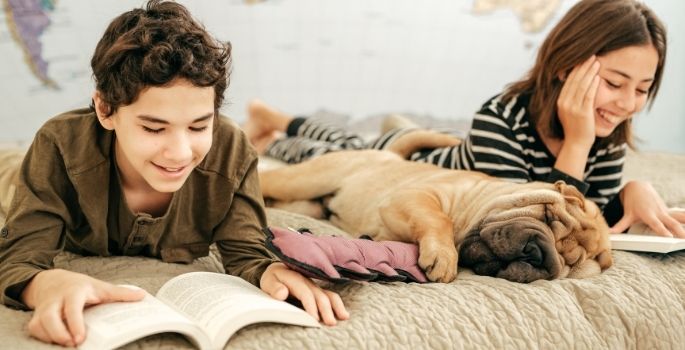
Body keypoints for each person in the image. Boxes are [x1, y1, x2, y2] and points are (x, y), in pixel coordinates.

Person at [0, 1, 348, 347]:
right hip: (17, 176)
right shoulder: (59, 144)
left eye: (199, 126)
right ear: (106, 109)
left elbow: (247, 253)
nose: (180, 153)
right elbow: (19, 259)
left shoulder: (232, 151)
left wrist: (271, 272)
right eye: (154, 129)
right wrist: (44, 284)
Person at [244, 0, 685, 238]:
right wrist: (575, 144)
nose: (628, 102)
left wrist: (634, 190)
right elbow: (527, 216)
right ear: (568, 65)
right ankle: (274, 127)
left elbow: (585, 212)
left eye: (643, 89)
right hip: (413, 166)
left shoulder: (605, 138)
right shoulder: (502, 116)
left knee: (348, 140)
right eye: (614, 82)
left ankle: (277, 118)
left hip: (445, 150)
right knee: (336, 150)